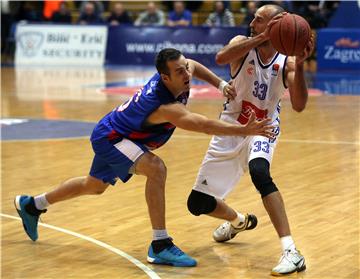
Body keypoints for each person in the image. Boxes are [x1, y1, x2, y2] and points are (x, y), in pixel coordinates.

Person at [15, 48, 274, 267]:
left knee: (93, 186)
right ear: (164, 77)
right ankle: (160, 244)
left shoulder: (179, 74)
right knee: (156, 169)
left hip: (119, 132)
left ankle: (32, 205)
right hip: (112, 138)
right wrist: (244, 130)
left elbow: (193, 64)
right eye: (180, 72)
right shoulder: (163, 105)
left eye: (185, 68)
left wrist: (219, 83)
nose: (187, 74)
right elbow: (204, 125)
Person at [187, 4, 314, 276]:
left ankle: (291, 251)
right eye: (255, 20)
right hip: (231, 126)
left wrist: (301, 65)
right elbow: (221, 58)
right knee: (197, 204)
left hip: (264, 126)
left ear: (275, 25)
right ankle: (238, 221)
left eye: (258, 21)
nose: (252, 23)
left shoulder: (287, 61)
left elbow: (300, 105)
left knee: (260, 172)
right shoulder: (242, 44)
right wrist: (259, 37)